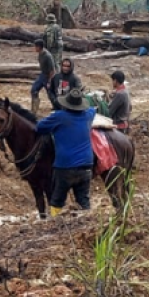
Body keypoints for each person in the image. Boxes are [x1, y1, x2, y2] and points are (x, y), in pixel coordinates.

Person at [35, 88, 95, 216]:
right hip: (86, 166)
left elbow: (39, 127)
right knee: (83, 201)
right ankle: (87, 221)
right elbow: (93, 110)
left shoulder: (59, 117)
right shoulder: (88, 115)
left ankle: (54, 222)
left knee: (57, 200)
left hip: (65, 167)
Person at [30, 39, 56, 114]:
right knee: (34, 89)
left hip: (49, 76)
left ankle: (57, 107)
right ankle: (34, 109)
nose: (34, 48)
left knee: (51, 94)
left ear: (39, 47)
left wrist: (50, 81)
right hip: (43, 75)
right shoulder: (40, 54)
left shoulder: (48, 56)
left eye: (35, 47)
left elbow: (52, 70)